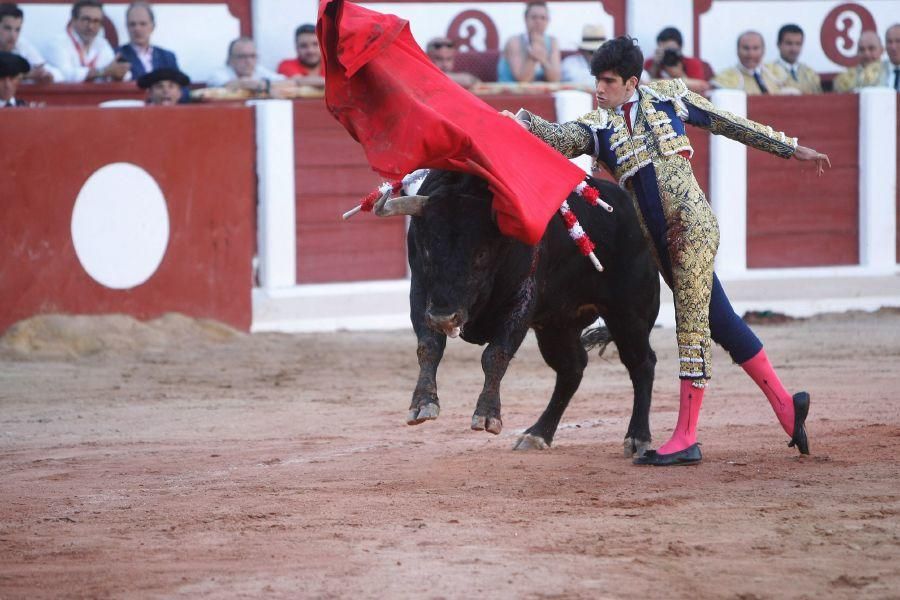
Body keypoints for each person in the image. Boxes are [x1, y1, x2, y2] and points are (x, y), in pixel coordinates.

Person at [503, 36, 829, 466]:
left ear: (632, 81)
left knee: (691, 327)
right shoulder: (600, 128)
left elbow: (729, 122)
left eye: (608, 81)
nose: (599, 88)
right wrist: (521, 123)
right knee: (723, 323)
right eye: (596, 80)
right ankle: (789, 408)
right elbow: (558, 138)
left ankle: (686, 438)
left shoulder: (670, 99)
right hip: (663, 249)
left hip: (692, 227)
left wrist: (790, 148)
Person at [45, 0, 131, 82]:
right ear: (74, 20)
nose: (91, 26)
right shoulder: (57, 43)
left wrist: (120, 72)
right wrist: (102, 72)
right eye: (86, 20)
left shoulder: (102, 44)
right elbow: (66, 75)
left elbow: (114, 70)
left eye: (96, 21)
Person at [497, 1, 561, 83]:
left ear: (548, 21)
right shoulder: (514, 42)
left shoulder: (553, 42)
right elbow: (523, 80)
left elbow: (555, 80)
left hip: (538, 93)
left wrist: (544, 61)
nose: (538, 22)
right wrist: (533, 57)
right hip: (509, 93)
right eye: (534, 17)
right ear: (525, 19)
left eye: (543, 18)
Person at [117, 2, 179, 80]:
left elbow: (181, 88)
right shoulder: (117, 55)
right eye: (132, 24)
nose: (137, 29)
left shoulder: (167, 57)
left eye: (143, 24)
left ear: (152, 26)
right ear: (127, 27)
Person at [0, 3, 61, 82]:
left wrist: (47, 75)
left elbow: (57, 73)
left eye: (17, 30)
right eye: (7, 28)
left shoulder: (22, 45)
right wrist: (26, 75)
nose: (13, 35)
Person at [643, 26, 710, 93]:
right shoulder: (651, 63)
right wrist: (655, 66)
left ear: (680, 48)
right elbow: (643, 86)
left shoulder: (691, 63)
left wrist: (679, 74)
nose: (668, 54)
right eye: (664, 50)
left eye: (671, 50)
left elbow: (701, 91)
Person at [712, 30, 782, 94]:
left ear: (763, 51)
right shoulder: (725, 77)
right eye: (746, 48)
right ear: (737, 50)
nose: (751, 54)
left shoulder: (776, 72)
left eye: (755, 48)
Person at [207, 36, 284, 92]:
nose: (249, 61)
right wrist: (264, 85)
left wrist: (262, 85)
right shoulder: (218, 74)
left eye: (252, 56)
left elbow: (285, 82)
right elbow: (228, 86)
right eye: (242, 57)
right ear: (230, 59)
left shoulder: (259, 70)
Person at [767, 24, 821, 94]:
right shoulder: (767, 72)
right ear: (778, 44)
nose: (794, 49)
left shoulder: (810, 73)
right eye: (789, 43)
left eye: (798, 44)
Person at [276, 23, 324, 87]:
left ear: (323, 46)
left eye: (315, 44)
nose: (310, 50)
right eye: (303, 46)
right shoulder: (286, 64)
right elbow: (299, 81)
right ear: (296, 48)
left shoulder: (331, 67)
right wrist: (331, 82)